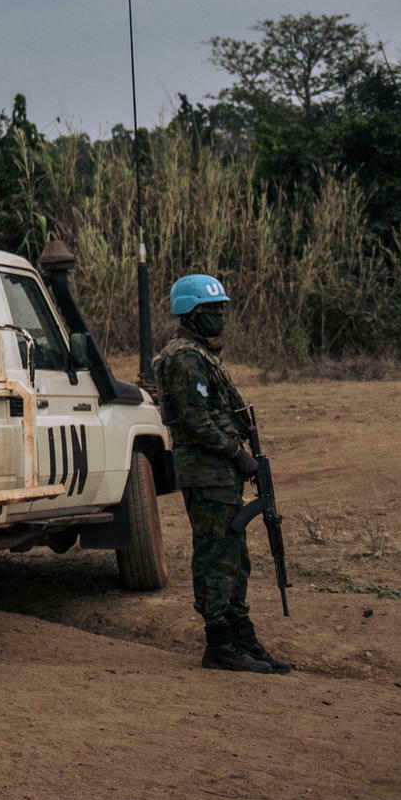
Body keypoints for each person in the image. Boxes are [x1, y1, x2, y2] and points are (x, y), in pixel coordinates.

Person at [154, 274, 290, 675]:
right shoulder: (185, 358)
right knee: (216, 555)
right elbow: (196, 420)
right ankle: (219, 642)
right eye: (211, 310)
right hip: (206, 471)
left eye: (221, 309)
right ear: (191, 314)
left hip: (219, 471)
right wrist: (237, 453)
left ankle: (239, 634)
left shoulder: (202, 354)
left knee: (234, 555)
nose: (220, 316)